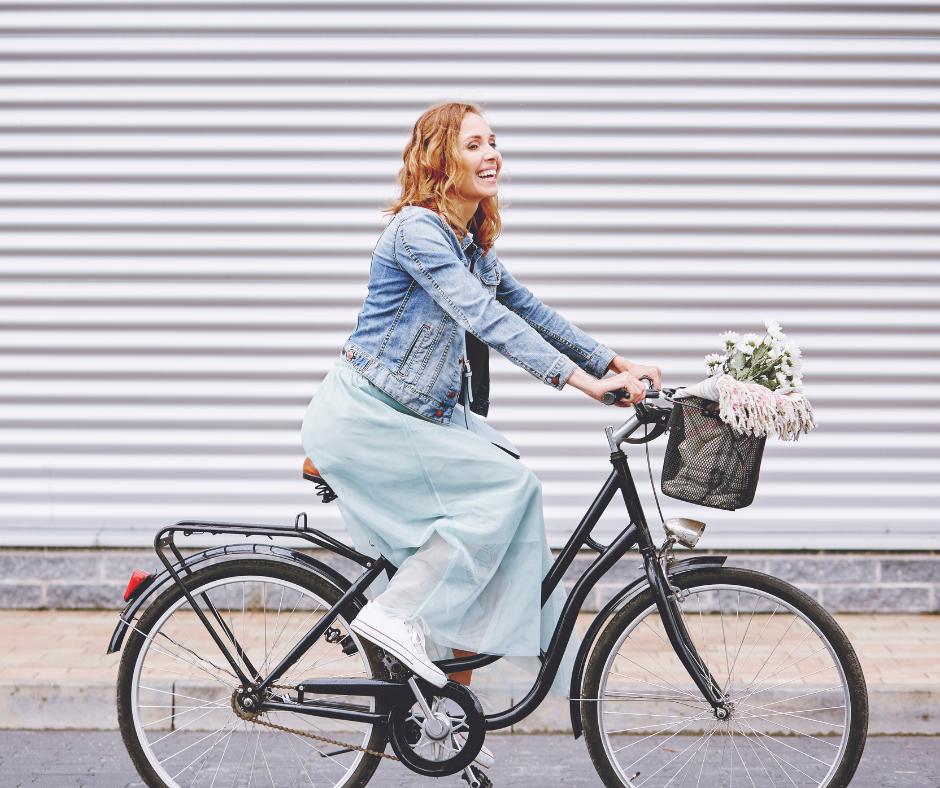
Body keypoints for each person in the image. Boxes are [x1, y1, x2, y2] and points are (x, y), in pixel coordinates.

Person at [300, 101, 661, 767]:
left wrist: (615, 363)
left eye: (495, 141)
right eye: (473, 144)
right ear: (442, 159)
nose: (491, 153)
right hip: (369, 418)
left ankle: (446, 719)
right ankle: (392, 615)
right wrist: (583, 386)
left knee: (507, 513)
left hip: (418, 420)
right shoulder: (416, 233)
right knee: (506, 487)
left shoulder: (468, 243)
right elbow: (481, 317)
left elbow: (528, 310)